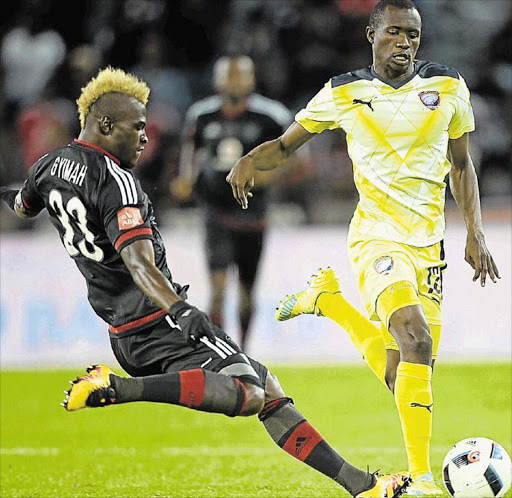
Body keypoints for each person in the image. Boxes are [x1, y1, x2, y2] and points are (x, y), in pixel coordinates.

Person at [0, 66, 410, 498]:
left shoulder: (49, 166)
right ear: (105, 124)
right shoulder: (118, 182)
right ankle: (117, 388)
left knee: (267, 389)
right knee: (250, 393)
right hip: (159, 322)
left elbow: (24, 206)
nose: (145, 137)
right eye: (137, 127)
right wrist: (179, 309)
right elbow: (139, 264)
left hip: (124, 330)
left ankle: (362, 486)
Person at [226, 0, 500, 495]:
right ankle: (419, 480)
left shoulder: (448, 87)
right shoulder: (343, 91)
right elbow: (287, 144)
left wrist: (474, 232)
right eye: (394, 33)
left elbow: (462, 165)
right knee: (416, 340)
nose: (405, 43)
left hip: (429, 244)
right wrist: (248, 161)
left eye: (413, 35)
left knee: (406, 375)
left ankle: (327, 302)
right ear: (371, 35)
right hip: (376, 236)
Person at [171, 54, 302, 351]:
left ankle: (244, 350)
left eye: (239, 75)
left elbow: (297, 157)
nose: (233, 81)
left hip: (253, 215)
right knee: (217, 290)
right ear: (217, 80)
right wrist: (185, 179)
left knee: (246, 293)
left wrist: (264, 178)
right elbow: (189, 152)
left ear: (251, 79)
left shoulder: (271, 116)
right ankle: (221, 354)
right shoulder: (201, 115)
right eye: (227, 76)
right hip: (215, 214)